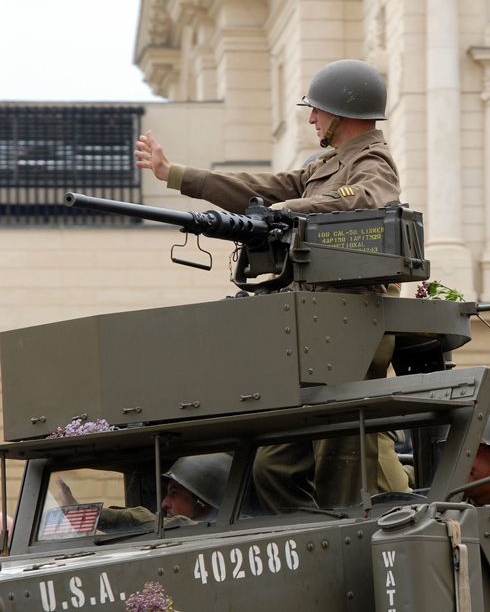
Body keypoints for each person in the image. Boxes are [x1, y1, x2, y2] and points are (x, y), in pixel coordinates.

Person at [134, 59, 409, 511]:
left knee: (340, 459)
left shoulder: (371, 161)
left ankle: (337, 540)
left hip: (351, 324)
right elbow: (260, 188)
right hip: (318, 324)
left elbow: (368, 199)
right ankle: (308, 536)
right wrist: (177, 175)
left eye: (318, 110)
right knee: (273, 468)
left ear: (343, 112)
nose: (311, 118)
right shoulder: (326, 165)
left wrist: (289, 210)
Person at [55, 453, 232, 530]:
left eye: (174, 493)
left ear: (203, 501)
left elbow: (177, 526)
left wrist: (86, 515)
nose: (164, 503)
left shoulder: (229, 529)